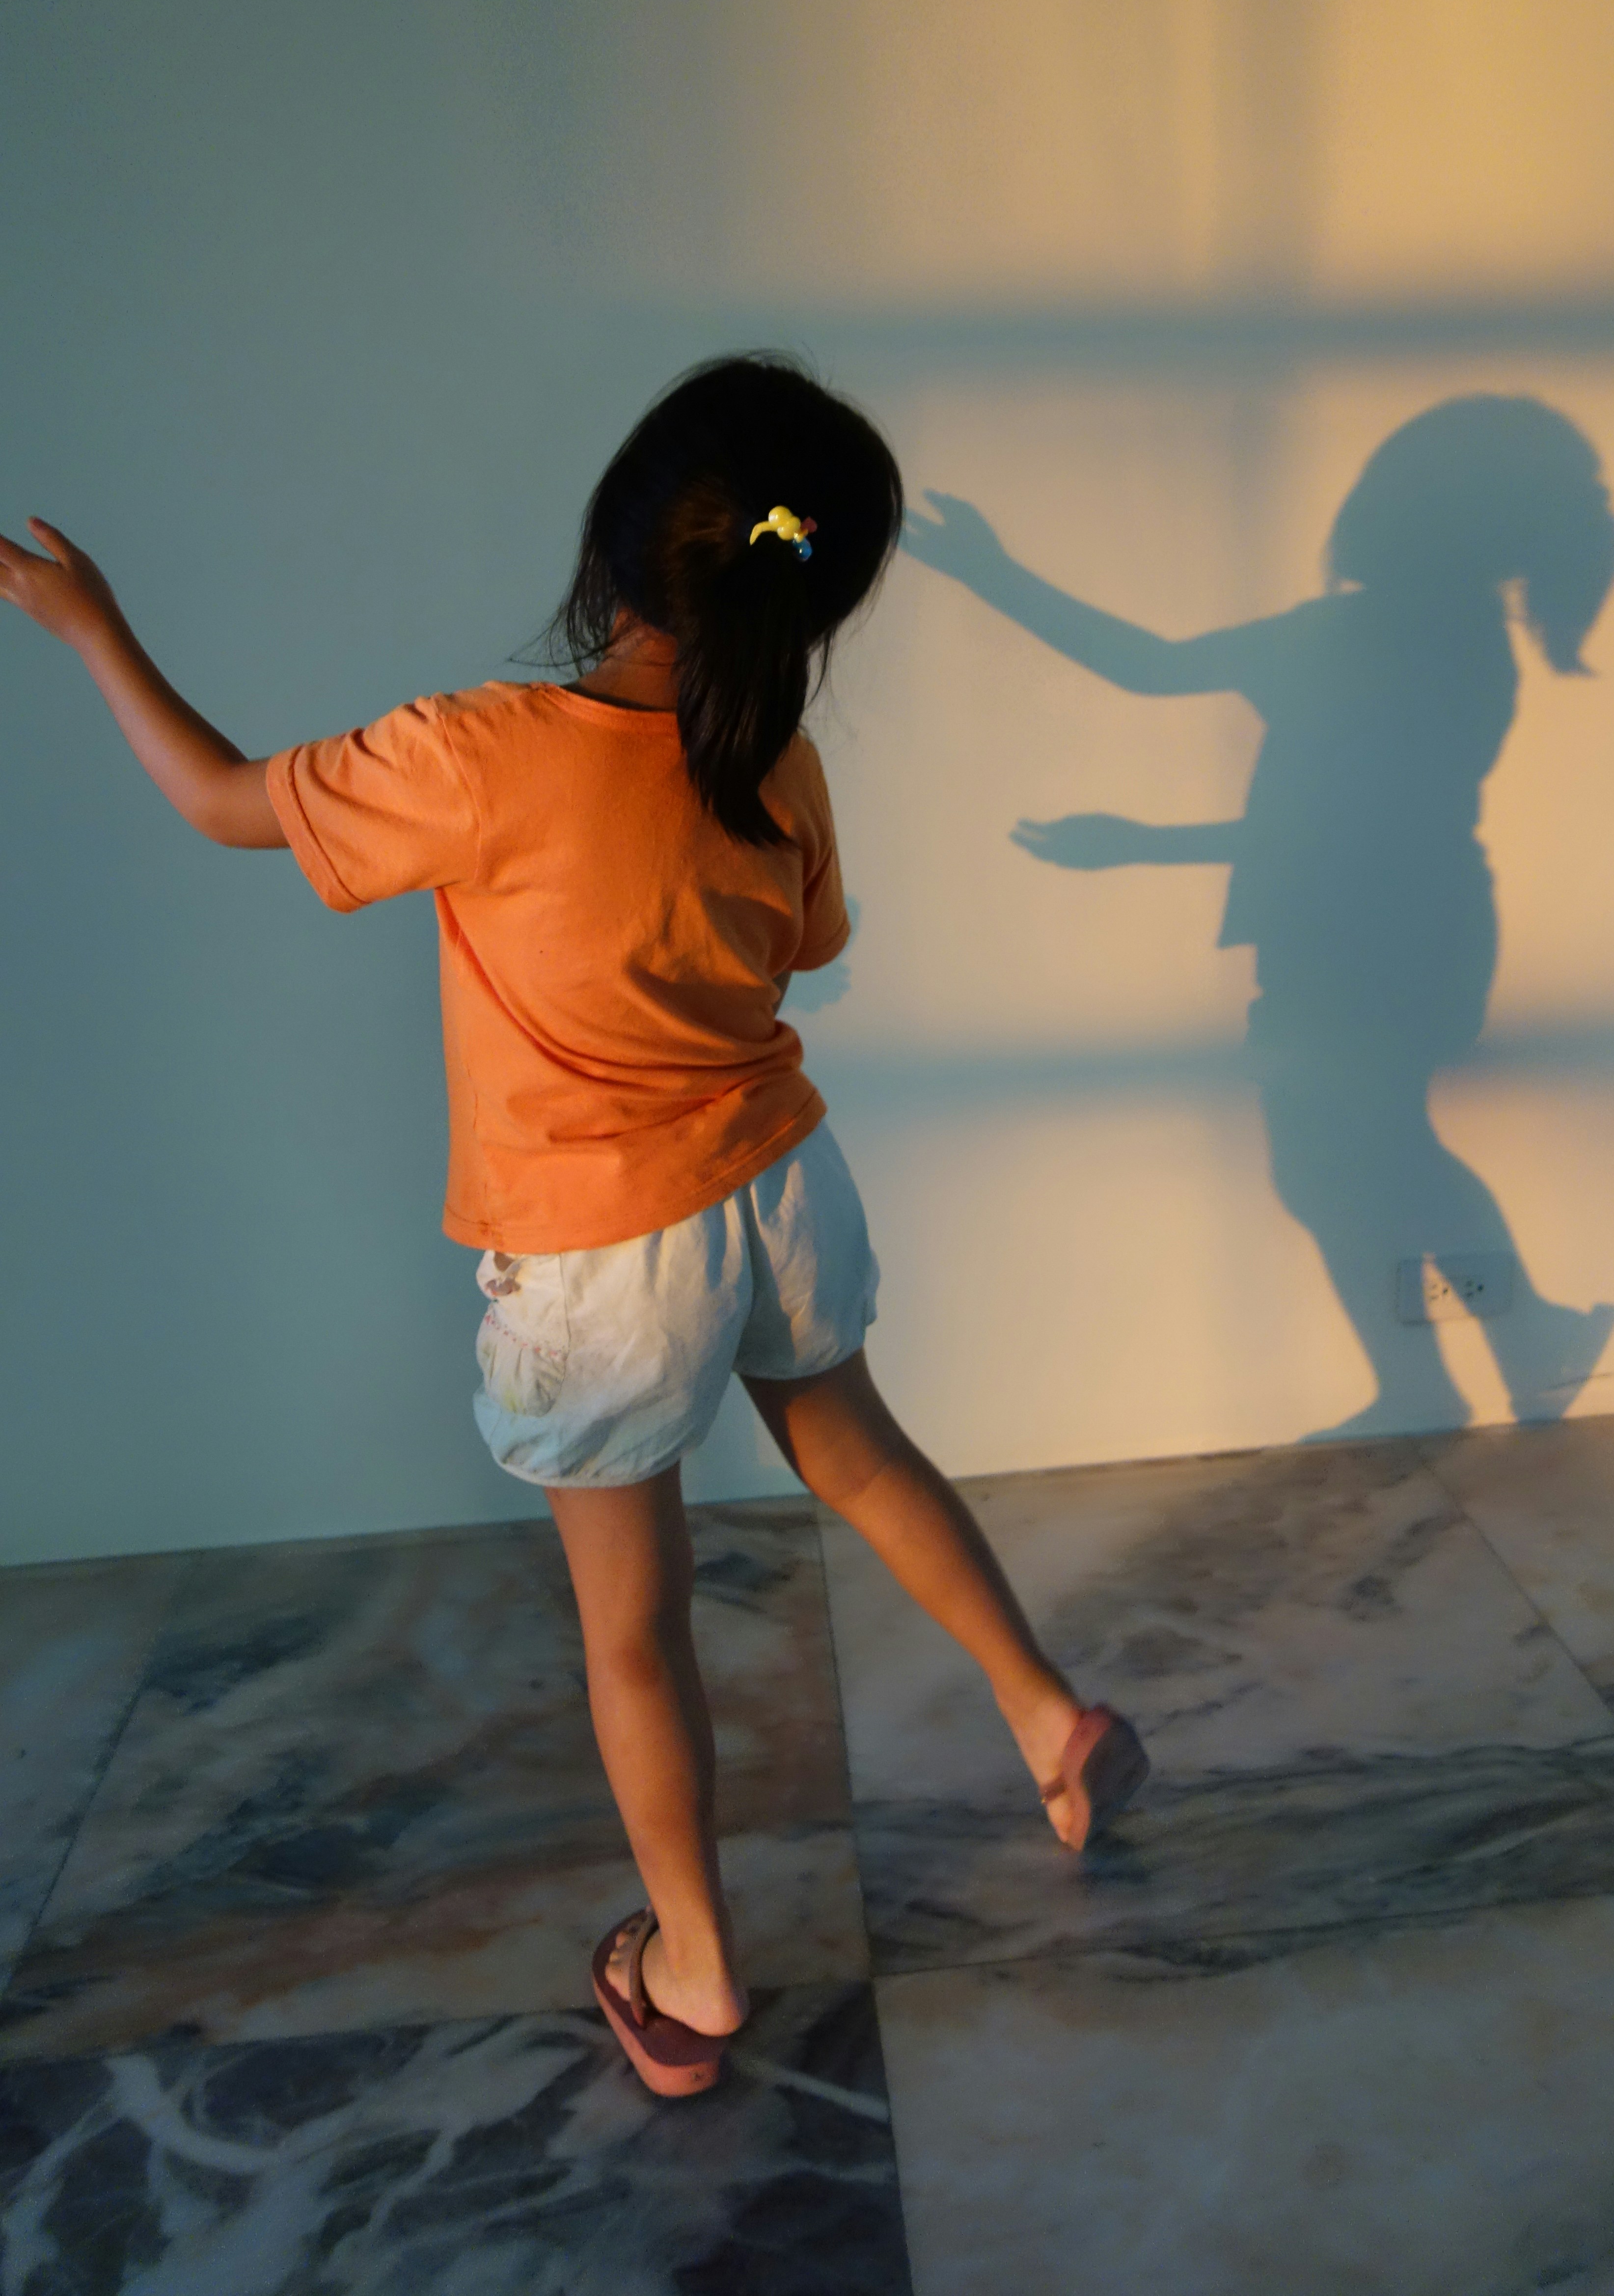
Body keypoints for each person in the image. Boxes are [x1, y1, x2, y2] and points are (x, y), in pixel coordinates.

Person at [0, 353, 1146, 2098]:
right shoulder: (780, 753)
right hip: (777, 1182)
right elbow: (807, 950)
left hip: (603, 1258)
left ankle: (689, 1978)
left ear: (614, 560)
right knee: (862, 1451)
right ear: (803, 588)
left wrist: (91, 628)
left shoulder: (479, 750)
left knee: (637, 1622)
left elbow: (230, 802)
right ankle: (1045, 1713)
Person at [904, 394, 1614, 1436]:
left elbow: (1173, 686)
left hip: (1363, 946)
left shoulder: (1370, 637)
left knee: (1362, 1165)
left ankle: (1482, 1357)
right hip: (1396, 938)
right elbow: (1299, 782)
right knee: (1363, 1164)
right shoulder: (1452, 641)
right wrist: (992, 576)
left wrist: (1137, 840)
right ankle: (1484, 1357)